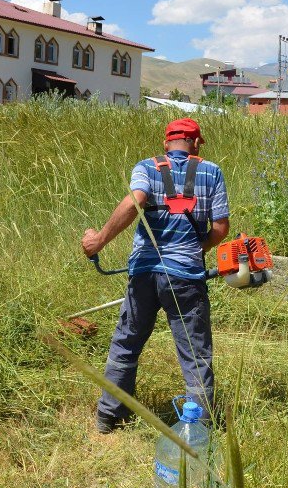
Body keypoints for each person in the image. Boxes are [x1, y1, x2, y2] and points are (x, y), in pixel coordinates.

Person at [82, 118, 230, 433]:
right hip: (186, 277)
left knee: (126, 343)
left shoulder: (147, 167)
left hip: (144, 273)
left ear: (166, 144)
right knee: (195, 352)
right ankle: (201, 427)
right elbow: (220, 229)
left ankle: (109, 417)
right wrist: (195, 250)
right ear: (197, 142)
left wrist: (98, 240)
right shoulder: (211, 172)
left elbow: (136, 200)